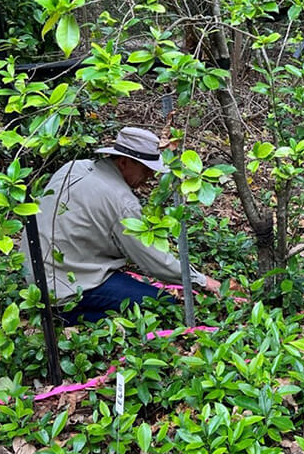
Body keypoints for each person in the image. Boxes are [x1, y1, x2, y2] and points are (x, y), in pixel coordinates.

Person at [21, 127, 221, 323]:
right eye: (146, 169)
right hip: (67, 287)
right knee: (163, 305)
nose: (150, 177)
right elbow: (153, 260)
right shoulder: (121, 201)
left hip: (35, 276)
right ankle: (65, 317)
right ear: (124, 162)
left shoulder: (74, 167)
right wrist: (202, 281)